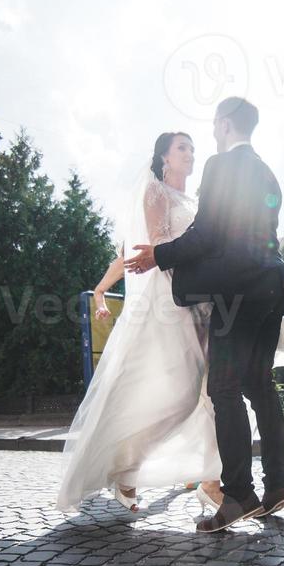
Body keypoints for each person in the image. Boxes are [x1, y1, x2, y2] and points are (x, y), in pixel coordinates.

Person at [125, 98, 284, 532]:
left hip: (237, 293)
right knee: (261, 385)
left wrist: (159, 256)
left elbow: (207, 234)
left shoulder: (222, 167)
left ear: (223, 124)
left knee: (223, 389)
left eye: (214, 126)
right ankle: (278, 485)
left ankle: (239, 495)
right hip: (273, 285)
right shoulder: (266, 170)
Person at [56, 132, 224, 514]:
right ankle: (126, 468)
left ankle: (212, 480)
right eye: (182, 147)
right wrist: (100, 292)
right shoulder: (156, 194)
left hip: (207, 302)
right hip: (169, 301)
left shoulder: (199, 202)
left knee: (214, 392)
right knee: (178, 395)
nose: (191, 154)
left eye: (193, 148)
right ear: (163, 156)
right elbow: (154, 248)